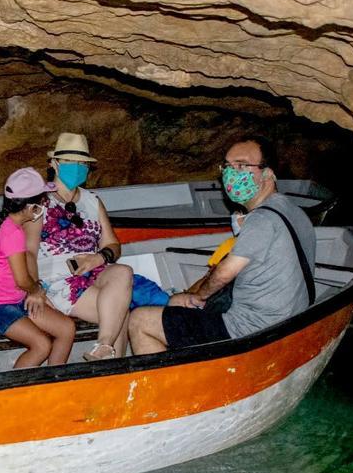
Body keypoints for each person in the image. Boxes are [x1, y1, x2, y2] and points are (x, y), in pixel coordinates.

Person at [128, 137, 317, 354]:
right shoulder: (294, 211)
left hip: (249, 329)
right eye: (227, 166)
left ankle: (171, 385)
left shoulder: (261, 220)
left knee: (140, 319)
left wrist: (198, 297)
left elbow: (225, 273)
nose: (232, 172)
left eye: (242, 165)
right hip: (289, 319)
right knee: (174, 305)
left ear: (268, 173)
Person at [25, 132, 133, 361]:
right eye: (70, 162)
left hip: (93, 272)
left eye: (82, 163)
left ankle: (104, 347)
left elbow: (114, 245)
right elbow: (28, 252)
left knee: (123, 272)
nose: (77, 167)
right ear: (54, 164)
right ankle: (112, 368)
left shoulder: (92, 201)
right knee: (120, 315)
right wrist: (34, 289)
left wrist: (98, 258)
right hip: (57, 280)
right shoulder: (39, 202)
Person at [0, 168, 76, 367]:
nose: (44, 204)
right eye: (41, 201)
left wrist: (35, 293)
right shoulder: (12, 233)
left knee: (66, 328)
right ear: (29, 206)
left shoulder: (8, 224)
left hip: (16, 300)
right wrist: (38, 291)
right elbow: (22, 280)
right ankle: (16, 392)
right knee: (41, 345)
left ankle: (54, 382)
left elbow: (22, 279)